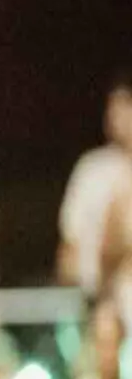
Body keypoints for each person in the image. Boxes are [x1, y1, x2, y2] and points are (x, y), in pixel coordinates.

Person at [59, 76, 132, 295]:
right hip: (97, 291)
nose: (116, 115)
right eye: (113, 106)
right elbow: (68, 252)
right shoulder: (91, 169)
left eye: (126, 105)